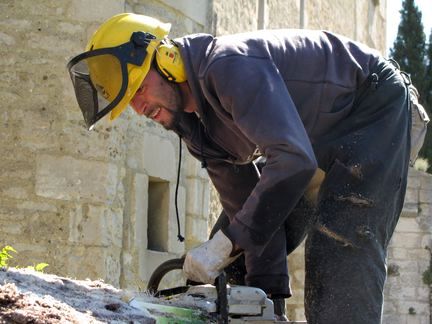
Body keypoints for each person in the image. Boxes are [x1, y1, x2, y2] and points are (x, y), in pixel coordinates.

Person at [67, 13, 428, 323]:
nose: (139, 107)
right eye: (129, 102)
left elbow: (292, 160)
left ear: (167, 59)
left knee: (338, 252)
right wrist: (266, 297)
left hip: (371, 109)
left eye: (140, 90)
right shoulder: (191, 124)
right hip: (303, 142)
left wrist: (230, 241)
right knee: (232, 266)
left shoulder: (228, 66)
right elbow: (246, 207)